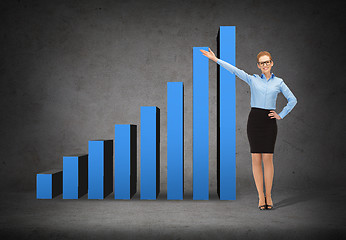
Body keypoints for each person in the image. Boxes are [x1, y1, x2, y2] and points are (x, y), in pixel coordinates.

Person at [200, 48, 297, 210]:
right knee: (256, 159)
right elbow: (235, 70)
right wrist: (215, 59)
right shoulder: (253, 79)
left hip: (269, 121)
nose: (265, 65)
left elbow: (293, 99)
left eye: (267, 62)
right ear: (258, 66)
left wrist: (281, 114)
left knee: (268, 159)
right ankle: (261, 197)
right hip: (254, 121)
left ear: (271, 63)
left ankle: (269, 196)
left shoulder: (279, 82)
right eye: (261, 63)